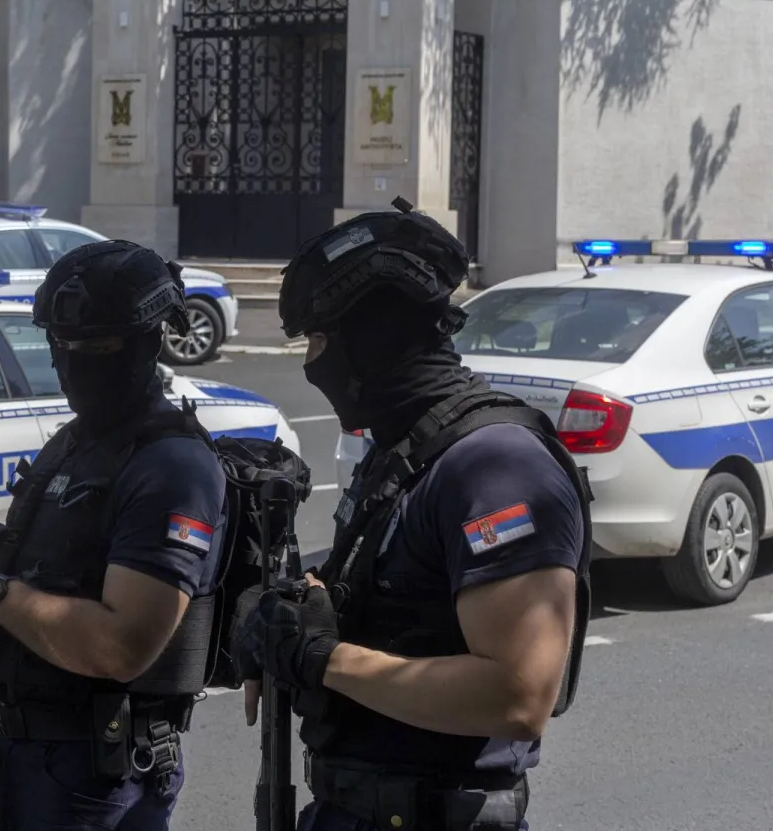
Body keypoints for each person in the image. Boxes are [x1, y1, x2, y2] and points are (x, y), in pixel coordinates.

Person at [232, 199, 592, 831]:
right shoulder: (406, 454)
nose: (312, 363)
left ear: (371, 339)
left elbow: (518, 694)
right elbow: (387, 597)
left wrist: (319, 658)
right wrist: (289, 608)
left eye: (320, 340)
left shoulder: (495, 468)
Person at [0, 240, 230, 831]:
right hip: (18, 758)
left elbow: (121, 647)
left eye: (95, 346)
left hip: (99, 774)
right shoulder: (71, 444)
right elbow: (19, 573)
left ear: (145, 345)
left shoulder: (173, 468)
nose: (72, 361)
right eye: (60, 345)